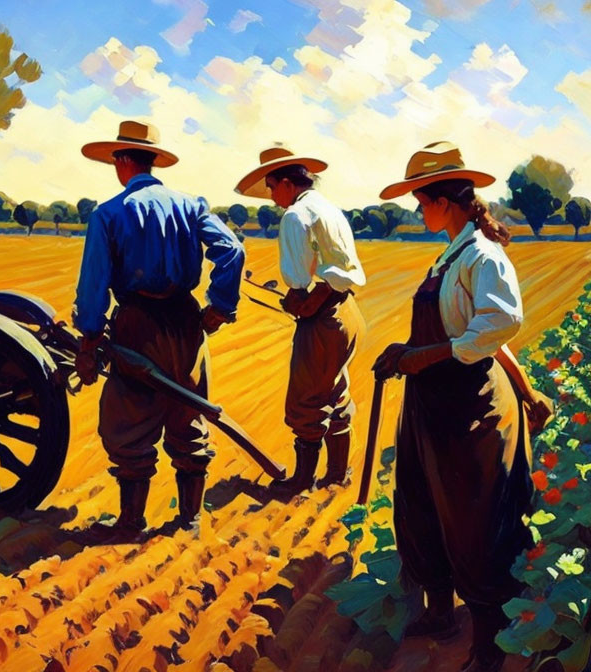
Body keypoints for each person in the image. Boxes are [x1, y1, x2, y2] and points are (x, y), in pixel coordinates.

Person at [373, 141, 552, 672]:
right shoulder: (450, 254)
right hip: (433, 408)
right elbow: (474, 330)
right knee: (423, 508)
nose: (417, 210)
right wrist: (404, 354)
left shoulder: (482, 255)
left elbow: (498, 328)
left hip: (470, 410)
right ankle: (439, 613)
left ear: (444, 202)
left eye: (420, 201)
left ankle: (488, 649)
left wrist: (424, 355)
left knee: (474, 524)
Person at [73, 120, 245, 542]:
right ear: (152, 161)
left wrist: (90, 338)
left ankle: (132, 521)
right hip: (186, 322)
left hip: (138, 323)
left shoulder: (108, 214)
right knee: (188, 412)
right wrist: (218, 307)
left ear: (121, 161)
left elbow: (93, 285)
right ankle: (189, 520)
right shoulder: (191, 205)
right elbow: (233, 251)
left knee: (127, 419)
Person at [234, 147, 366, 498]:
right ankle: (337, 474)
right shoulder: (329, 209)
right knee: (335, 392)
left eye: (272, 187)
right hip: (348, 313)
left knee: (306, 403)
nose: (273, 197)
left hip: (324, 321)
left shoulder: (296, 216)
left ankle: (302, 481)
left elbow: (297, 279)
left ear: (288, 184)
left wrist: (297, 300)